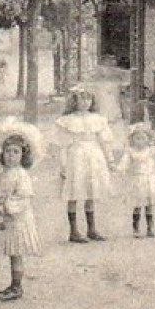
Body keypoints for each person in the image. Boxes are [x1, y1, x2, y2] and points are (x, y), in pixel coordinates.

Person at [0, 124, 43, 301]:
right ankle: (13, 284)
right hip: (7, 219)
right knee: (12, 252)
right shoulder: (5, 173)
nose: (11, 155)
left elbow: (23, 198)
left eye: (16, 152)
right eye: (8, 151)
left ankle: (17, 286)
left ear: (23, 155)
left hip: (17, 220)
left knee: (16, 252)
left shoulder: (21, 175)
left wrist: (5, 207)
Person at [56, 88, 118, 243]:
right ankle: (74, 231)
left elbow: (105, 141)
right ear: (74, 101)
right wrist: (63, 165)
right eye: (81, 99)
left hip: (93, 155)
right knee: (74, 192)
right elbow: (63, 145)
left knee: (91, 190)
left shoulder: (97, 119)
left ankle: (91, 229)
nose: (85, 103)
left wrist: (110, 160)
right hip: (76, 156)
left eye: (88, 99)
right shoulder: (67, 121)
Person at [120, 122, 155, 238]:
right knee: (137, 204)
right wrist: (121, 169)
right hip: (137, 180)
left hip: (150, 179)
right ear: (132, 139)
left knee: (149, 204)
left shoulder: (152, 151)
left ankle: (150, 228)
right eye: (137, 138)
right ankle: (136, 228)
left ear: (148, 139)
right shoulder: (130, 151)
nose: (140, 141)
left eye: (143, 138)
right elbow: (125, 163)